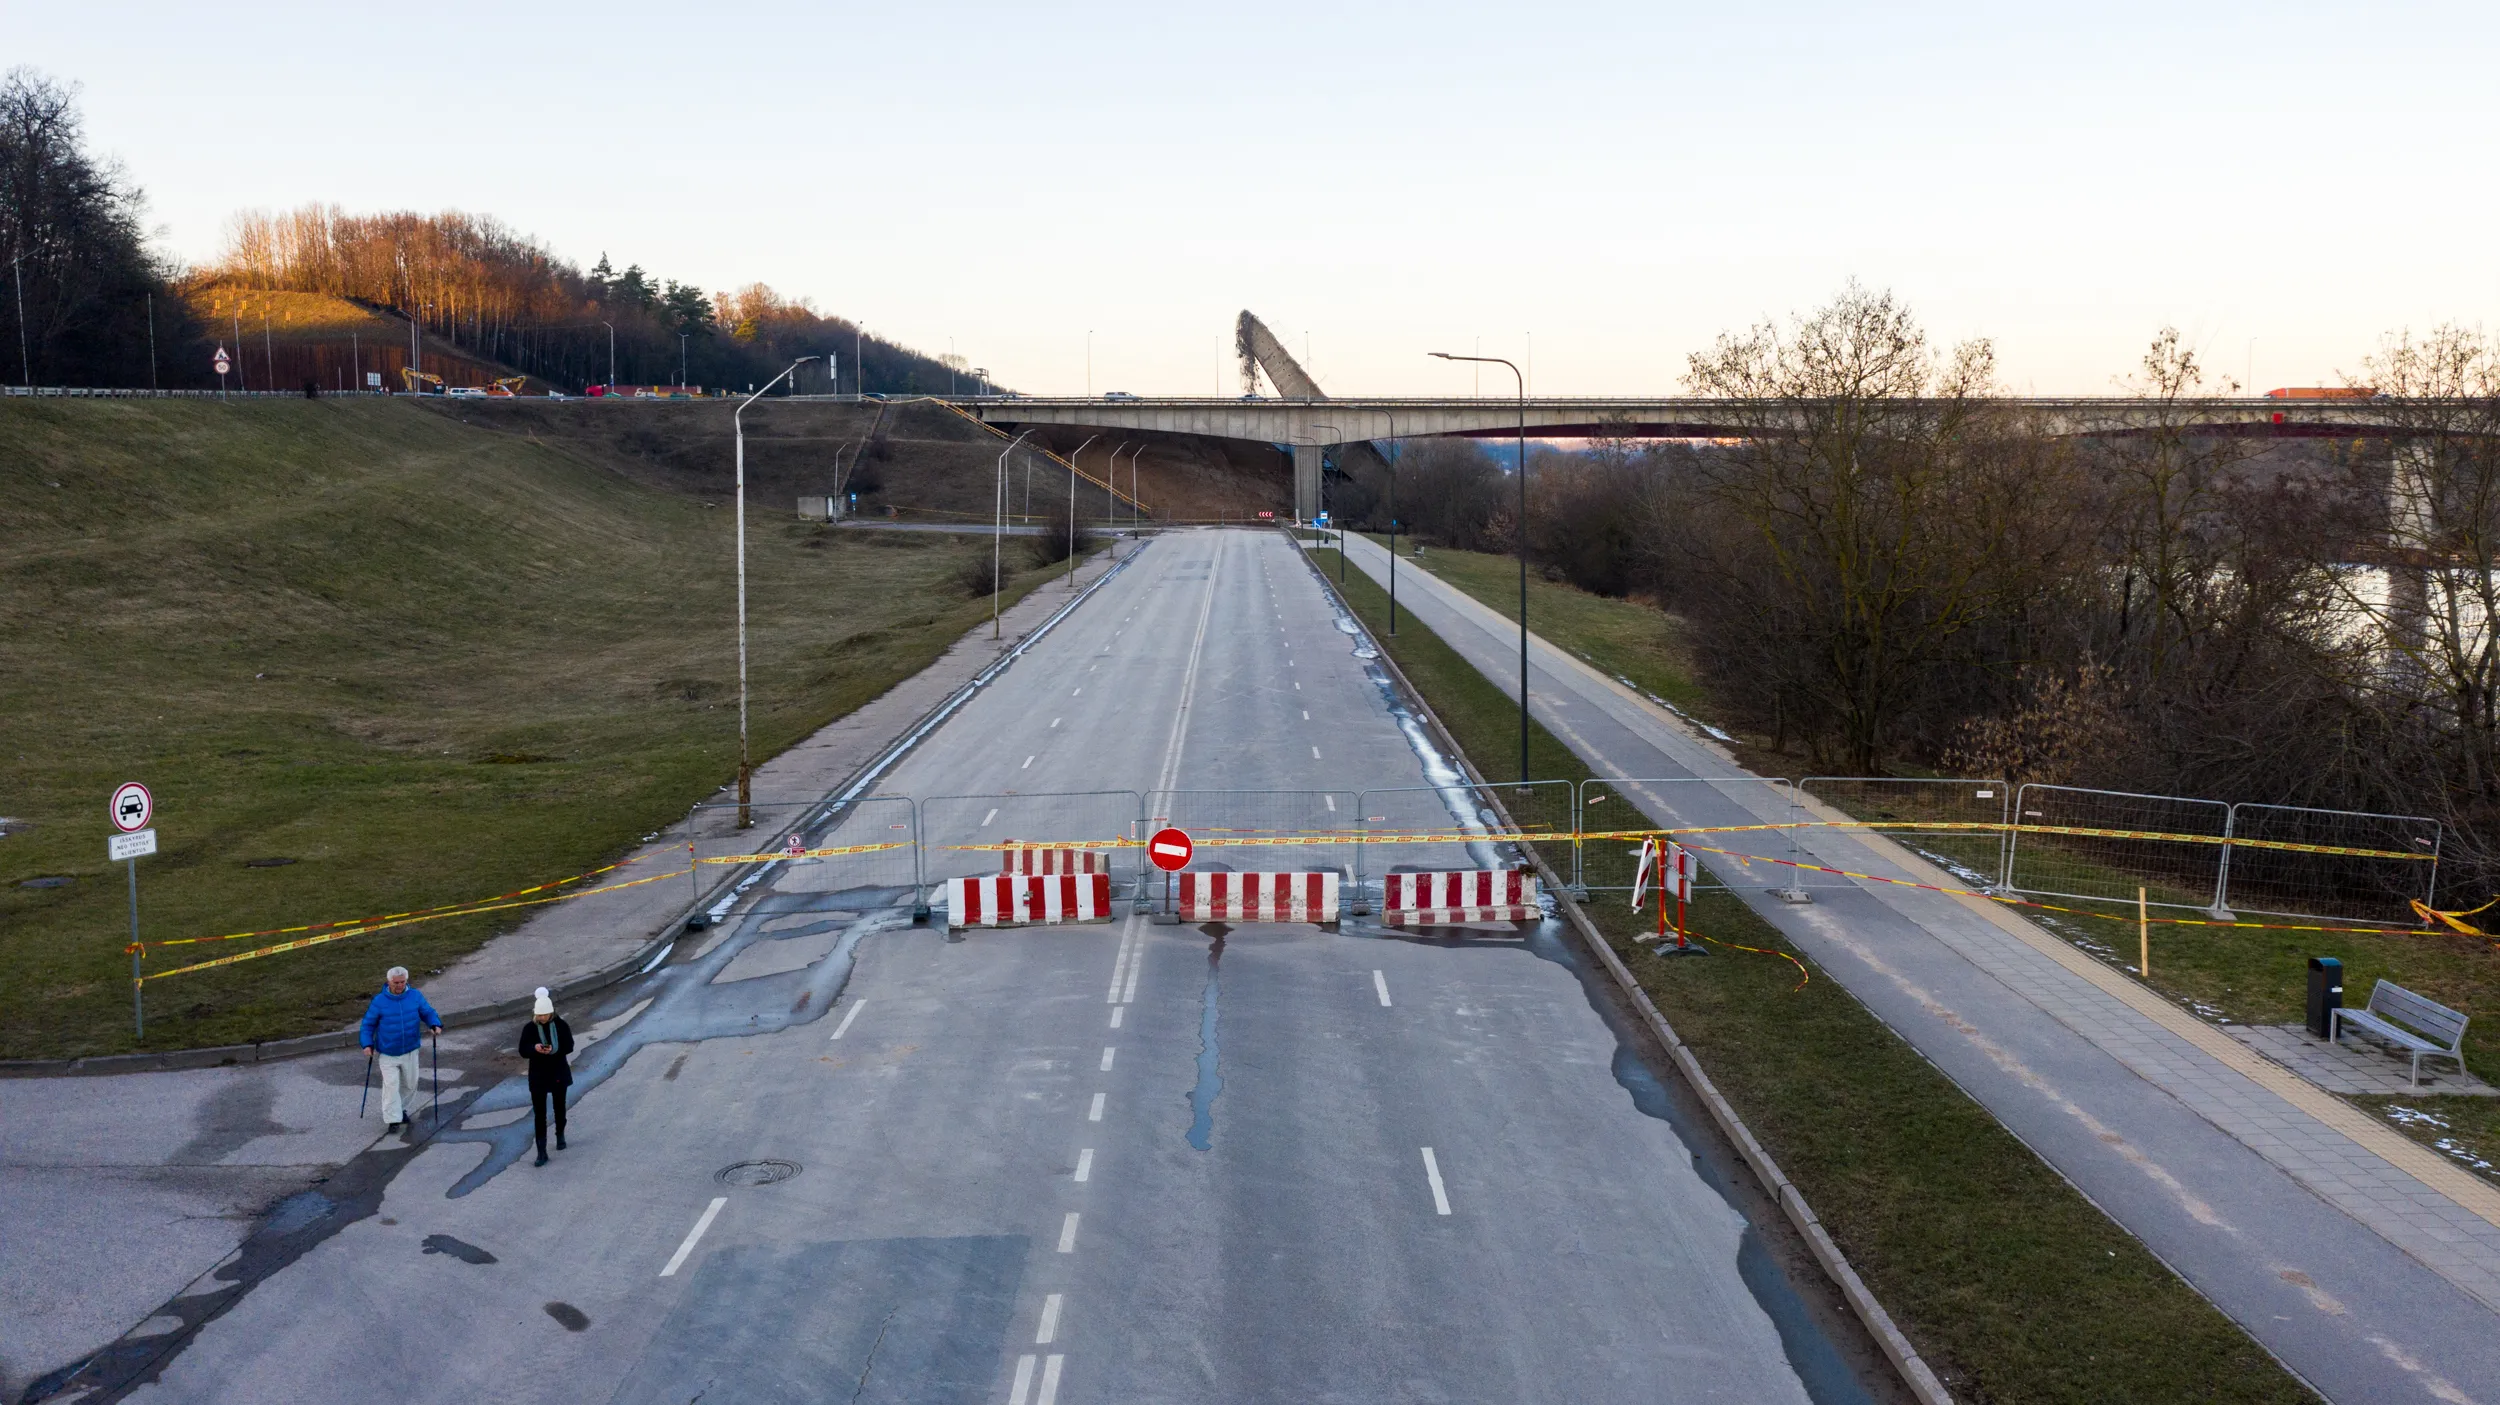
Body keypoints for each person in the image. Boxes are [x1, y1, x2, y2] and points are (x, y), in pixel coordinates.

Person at [359, 966, 443, 1132]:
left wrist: (435, 1024)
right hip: (388, 1052)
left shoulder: (415, 996)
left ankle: (400, 1109)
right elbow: (368, 1025)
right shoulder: (379, 1001)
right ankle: (393, 1119)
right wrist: (367, 1044)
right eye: (396, 982)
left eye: (402, 982)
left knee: (410, 1084)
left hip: (410, 1049)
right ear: (389, 982)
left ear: (406, 981)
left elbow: (427, 1012)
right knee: (391, 1085)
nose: (399, 985)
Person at [517, 987, 574, 1167]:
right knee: (539, 1114)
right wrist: (535, 1048)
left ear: (551, 1013)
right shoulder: (529, 1028)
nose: (542, 1018)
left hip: (558, 1071)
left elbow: (569, 1046)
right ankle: (541, 1151)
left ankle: (560, 1135)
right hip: (538, 1075)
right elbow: (522, 1050)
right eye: (539, 1015)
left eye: (545, 1015)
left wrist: (555, 1050)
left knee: (559, 1107)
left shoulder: (561, 1025)